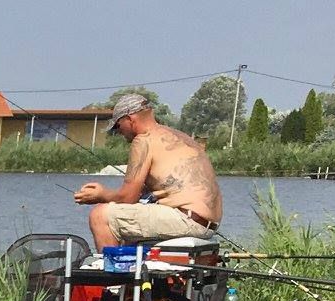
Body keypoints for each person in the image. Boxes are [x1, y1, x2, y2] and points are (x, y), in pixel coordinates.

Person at [74, 91, 224, 246]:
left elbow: (128, 198)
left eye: (118, 126)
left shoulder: (143, 140)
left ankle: (110, 268)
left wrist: (101, 194)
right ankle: (133, 267)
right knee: (129, 219)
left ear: (129, 119)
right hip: (207, 222)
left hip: (186, 219)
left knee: (101, 215)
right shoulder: (180, 136)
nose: (118, 132)